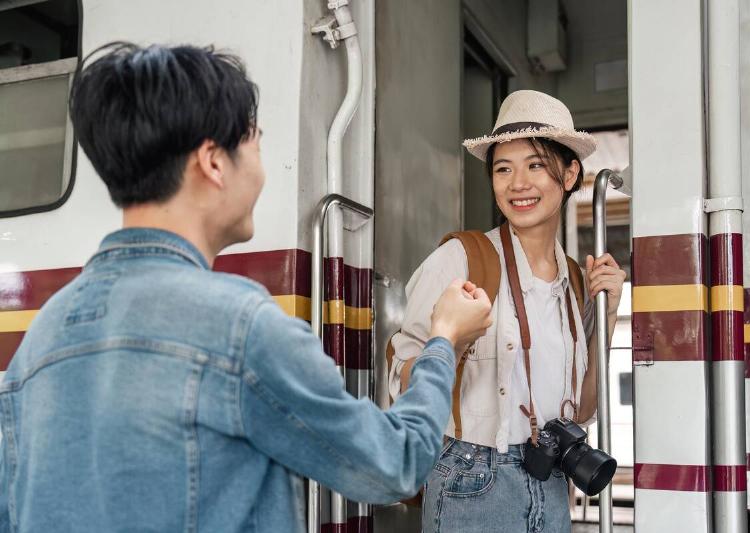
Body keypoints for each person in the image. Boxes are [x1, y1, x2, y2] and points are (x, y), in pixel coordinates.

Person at [0, 42, 493, 533]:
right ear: (213, 162)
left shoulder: (42, 335)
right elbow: (395, 464)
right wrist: (443, 339)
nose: (260, 163)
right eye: (254, 138)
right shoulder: (242, 328)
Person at [389, 90, 627, 533]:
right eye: (503, 169)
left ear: (570, 173)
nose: (518, 183)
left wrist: (608, 315)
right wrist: (449, 341)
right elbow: (400, 382)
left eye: (535, 165)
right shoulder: (461, 259)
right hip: (471, 478)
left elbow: (585, 408)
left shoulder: (575, 281)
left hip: (552, 480)